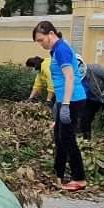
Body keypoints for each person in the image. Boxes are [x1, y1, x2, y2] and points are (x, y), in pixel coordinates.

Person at [33, 21, 88, 191]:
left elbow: (70, 78)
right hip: (65, 99)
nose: (41, 44)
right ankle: (59, 175)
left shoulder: (62, 50)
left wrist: (64, 105)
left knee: (67, 138)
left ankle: (80, 178)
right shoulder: (57, 49)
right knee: (59, 137)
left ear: (51, 34)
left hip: (72, 99)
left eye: (41, 40)